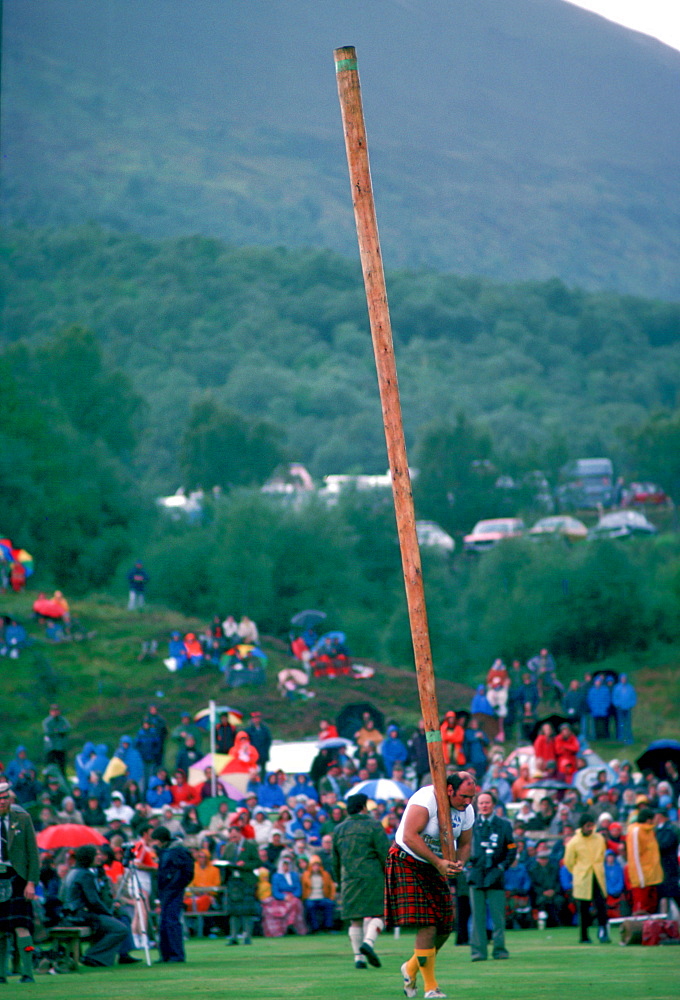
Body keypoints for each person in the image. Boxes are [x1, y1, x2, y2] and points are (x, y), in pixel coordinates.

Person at [385, 771, 476, 1000]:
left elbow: (465, 843)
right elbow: (409, 835)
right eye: (463, 796)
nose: (467, 802)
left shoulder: (467, 811)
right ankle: (431, 988)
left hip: (438, 866)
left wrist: (459, 864)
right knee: (427, 924)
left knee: (445, 926)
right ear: (449, 790)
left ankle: (411, 967)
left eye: (471, 797)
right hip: (407, 861)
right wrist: (439, 862)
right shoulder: (426, 798)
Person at [331, 791, 389, 970]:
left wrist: (339, 881)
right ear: (364, 807)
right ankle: (369, 943)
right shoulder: (374, 826)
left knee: (354, 919)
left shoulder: (338, 829)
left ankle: (358, 958)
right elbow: (384, 853)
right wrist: (390, 875)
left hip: (349, 878)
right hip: (372, 877)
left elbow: (335, 860)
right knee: (379, 914)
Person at [466, 790, 516, 962]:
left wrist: (502, 867)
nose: (484, 806)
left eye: (487, 802)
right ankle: (478, 952)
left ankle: (500, 950)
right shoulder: (470, 825)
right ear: (477, 806)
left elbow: (512, 850)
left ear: (494, 805)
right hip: (476, 874)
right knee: (477, 916)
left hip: (496, 875)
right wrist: (468, 867)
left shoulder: (504, 825)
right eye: (481, 803)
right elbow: (461, 847)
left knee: (498, 917)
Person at [61, 844, 130, 967]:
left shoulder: (72, 872)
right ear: (89, 857)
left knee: (115, 922)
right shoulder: (86, 874)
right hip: (82, 915)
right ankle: (93, 956)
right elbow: (94, 901)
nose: (100, 857)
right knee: (120, 929)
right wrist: (108, 913)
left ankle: (97, 957)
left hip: (71, 914)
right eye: (96, 854)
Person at [0, 781, 40, 983]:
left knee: (21, 926)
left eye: (5, 798)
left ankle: (27, 973)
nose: (2, 802)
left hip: (18, 877)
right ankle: (1, 975)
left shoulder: (23, 819)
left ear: (10, 798)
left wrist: (31, 882)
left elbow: (33, 854)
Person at [150, 825, 195, 963]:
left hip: (172, 891)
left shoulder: (177, 851)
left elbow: (185, 873)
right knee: (165, 922)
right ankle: (167, 954)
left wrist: (175, 885)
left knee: (171, 921)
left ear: (161, 840)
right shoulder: (171, 850)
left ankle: (175, 954)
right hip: (168, 890)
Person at [563, 812, 609, 943]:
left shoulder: (599, 838)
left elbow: (602, 855)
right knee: (583, 909)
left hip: (597, 876)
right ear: (582, 826)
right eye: (588, 826)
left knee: (601, 906)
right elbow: (569, 862)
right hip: (583, 878)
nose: (590, 829)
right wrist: (579, 871)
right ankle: (584, 936)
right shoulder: (574, 842)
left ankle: (603, 933)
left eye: (592, 826)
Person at [221, 825, 260, 945]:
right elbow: (224, 860)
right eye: (231, 837)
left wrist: (245, 864)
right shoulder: (228, 847)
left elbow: (257, 862)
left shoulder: (250, 845)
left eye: (234, 836)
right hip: (233, 881)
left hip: (246, 880)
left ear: (239, 833)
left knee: (247, 911)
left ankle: (247, 937)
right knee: (233, 911)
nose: (232, 839)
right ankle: (233, 937)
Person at [625, 806, 663, 914]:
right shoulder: (636, 831)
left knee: (651, 907)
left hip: (652, 876)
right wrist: (640, 878)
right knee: (641, 909)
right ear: (648, 819)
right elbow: (635, 856)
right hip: (642, 878)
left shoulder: (649, 831)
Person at [41, 703, 71, 774]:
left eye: (57, 711)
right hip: (51, 748)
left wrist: (56, 730)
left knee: (62, 768)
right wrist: (58, 731)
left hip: (61, 748)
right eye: (53, 711)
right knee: (50, 767)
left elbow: (67, 729)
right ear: (50, 712)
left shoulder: (63, 720)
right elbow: (48, 732)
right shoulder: (47, 721)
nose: (55, 712)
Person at [611, 674, 637, 744]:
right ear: (620, 679)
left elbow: (633, 697)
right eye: (622, 679)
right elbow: (614, 697)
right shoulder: (617, 687)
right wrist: (617, 704)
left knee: (628, 724)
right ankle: (621, 737)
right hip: (620, 708)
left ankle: (629, 738)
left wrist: (632, 704)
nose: (623, 680)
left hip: (628, 708)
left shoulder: (630, 687)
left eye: (624, 678)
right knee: (620, 723)